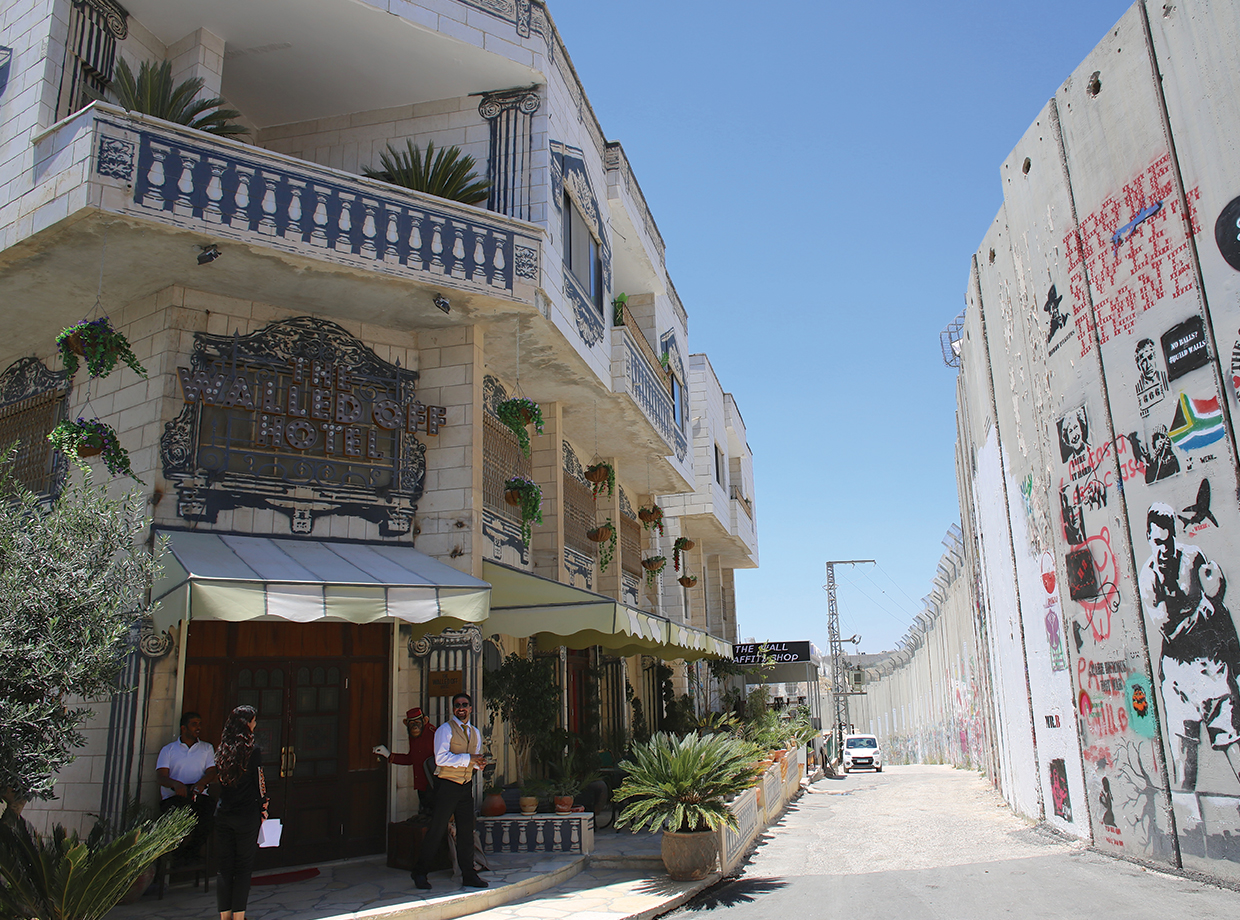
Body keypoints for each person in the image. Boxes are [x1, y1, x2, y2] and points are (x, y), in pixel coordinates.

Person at [1138, 502, 1240, 791]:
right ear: (1149, 537)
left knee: (1233, 743)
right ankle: (1189, 824)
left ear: (1174, 534)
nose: (1163, 549)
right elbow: (1170, 630)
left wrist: (1236, 662)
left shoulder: (1193, 558)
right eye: (1157, 542)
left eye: (1167, 541)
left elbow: (1221, 616)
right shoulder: (1148, 577)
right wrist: (1207, 604)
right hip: (1178, 679)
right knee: (1185, 769)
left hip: (1213, 670)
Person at [410, 693, 487, 891]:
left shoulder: (475, 732)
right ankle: (420, 872)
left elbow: (474, 759)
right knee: (437, 829)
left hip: (465, 786)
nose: (461, 708)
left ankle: (468, 874)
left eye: (465, 705)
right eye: (457, 705)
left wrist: (478, 764)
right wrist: (468, 759)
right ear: (453, 709)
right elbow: (441, 759)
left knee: (466, 832)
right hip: (447, 785)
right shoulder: (445, 730)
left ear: (471, 708)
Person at [214, 705, 268, 920]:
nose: (255, 725)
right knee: (243, 867)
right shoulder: (252, 751)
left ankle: (224, 916)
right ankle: (239, 916)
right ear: (247, 724)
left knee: (224, 867)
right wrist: (264, 806)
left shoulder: (222, 750)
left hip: (224, 812)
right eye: (253, 721)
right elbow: (260, 782)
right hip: (246, 814)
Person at [156, 711, 217, 861]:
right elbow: (161, 777)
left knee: (208, 820)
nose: (198, 727)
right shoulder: (168, 750)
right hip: (175, 797)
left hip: (198, 795)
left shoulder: (207, 748)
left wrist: (201, 783)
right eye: (194, 724)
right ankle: (175, 857)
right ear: (183, 728)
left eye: (199, 724)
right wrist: (176, 785)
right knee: (176, 826)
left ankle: (188, 854)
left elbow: (212, 771)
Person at [373, 707, 438, 813]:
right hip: (422, 784)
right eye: (411, 724)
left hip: (435, 784)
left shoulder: (434, 733)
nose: (414, 727)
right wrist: (389, 755)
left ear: (425, 721)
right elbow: (412, 758)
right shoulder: (413, 735)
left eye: (417, 723)